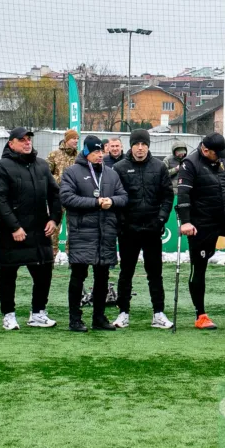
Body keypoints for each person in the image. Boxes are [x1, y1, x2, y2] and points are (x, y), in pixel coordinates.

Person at [0, 128, 61, 331]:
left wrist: (54, 219)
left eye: (28, 139)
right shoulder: (2, 167)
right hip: (13, 233)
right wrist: (14, 227)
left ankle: (38, 313)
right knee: (8, 274)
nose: (27, 142)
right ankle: (9, 315)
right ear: (11, 143)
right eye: (21, 140)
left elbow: (55, 195)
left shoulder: (42, 165)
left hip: (40, 232)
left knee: (44, 272)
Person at [176, 132, 225, 330]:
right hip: (200, 224)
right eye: (218, 153)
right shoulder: (189, 164)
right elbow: (183, 194)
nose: (222, 156)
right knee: (199, 267)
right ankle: (201, 315)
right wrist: (186, 222)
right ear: (205, 150)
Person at [60, 135, 128, 332]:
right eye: (96, 152)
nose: (100, 155)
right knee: (78, 275)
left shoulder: (111, 174)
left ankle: (99, 317)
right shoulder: (72, 172)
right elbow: (67, 198)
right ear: (87, 153)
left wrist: (112, 202)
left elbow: (123, 197)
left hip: (105, 233)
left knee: (102, 277)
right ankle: (75, 319)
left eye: (101, 151)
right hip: (82, 232)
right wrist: (95, 203)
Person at [112, 128, 175, 329]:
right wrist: (122, 223)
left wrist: (161, 219)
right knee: (126, 272)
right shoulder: (119, 168)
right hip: (128, 231)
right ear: (131, 146)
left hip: (152, 230)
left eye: (144, 144)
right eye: (137, 144)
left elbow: (167, 196)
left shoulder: (159, 167)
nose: (140, 148)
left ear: (148, 146)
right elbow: (116, 198)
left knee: (155, 273)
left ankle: (158, 313)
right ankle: (123, 313)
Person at [47, 129, 79, 254]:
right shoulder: (54, 155)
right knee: (54, 227)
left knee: (74, 228)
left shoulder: (79, 156)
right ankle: (51, 258)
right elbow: (45, 175)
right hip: (57, 197)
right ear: (66, 140)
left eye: (77, 138)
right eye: (73, 138)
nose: (76, 141)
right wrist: (57, 180)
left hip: (74, 197)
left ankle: (73, 258)